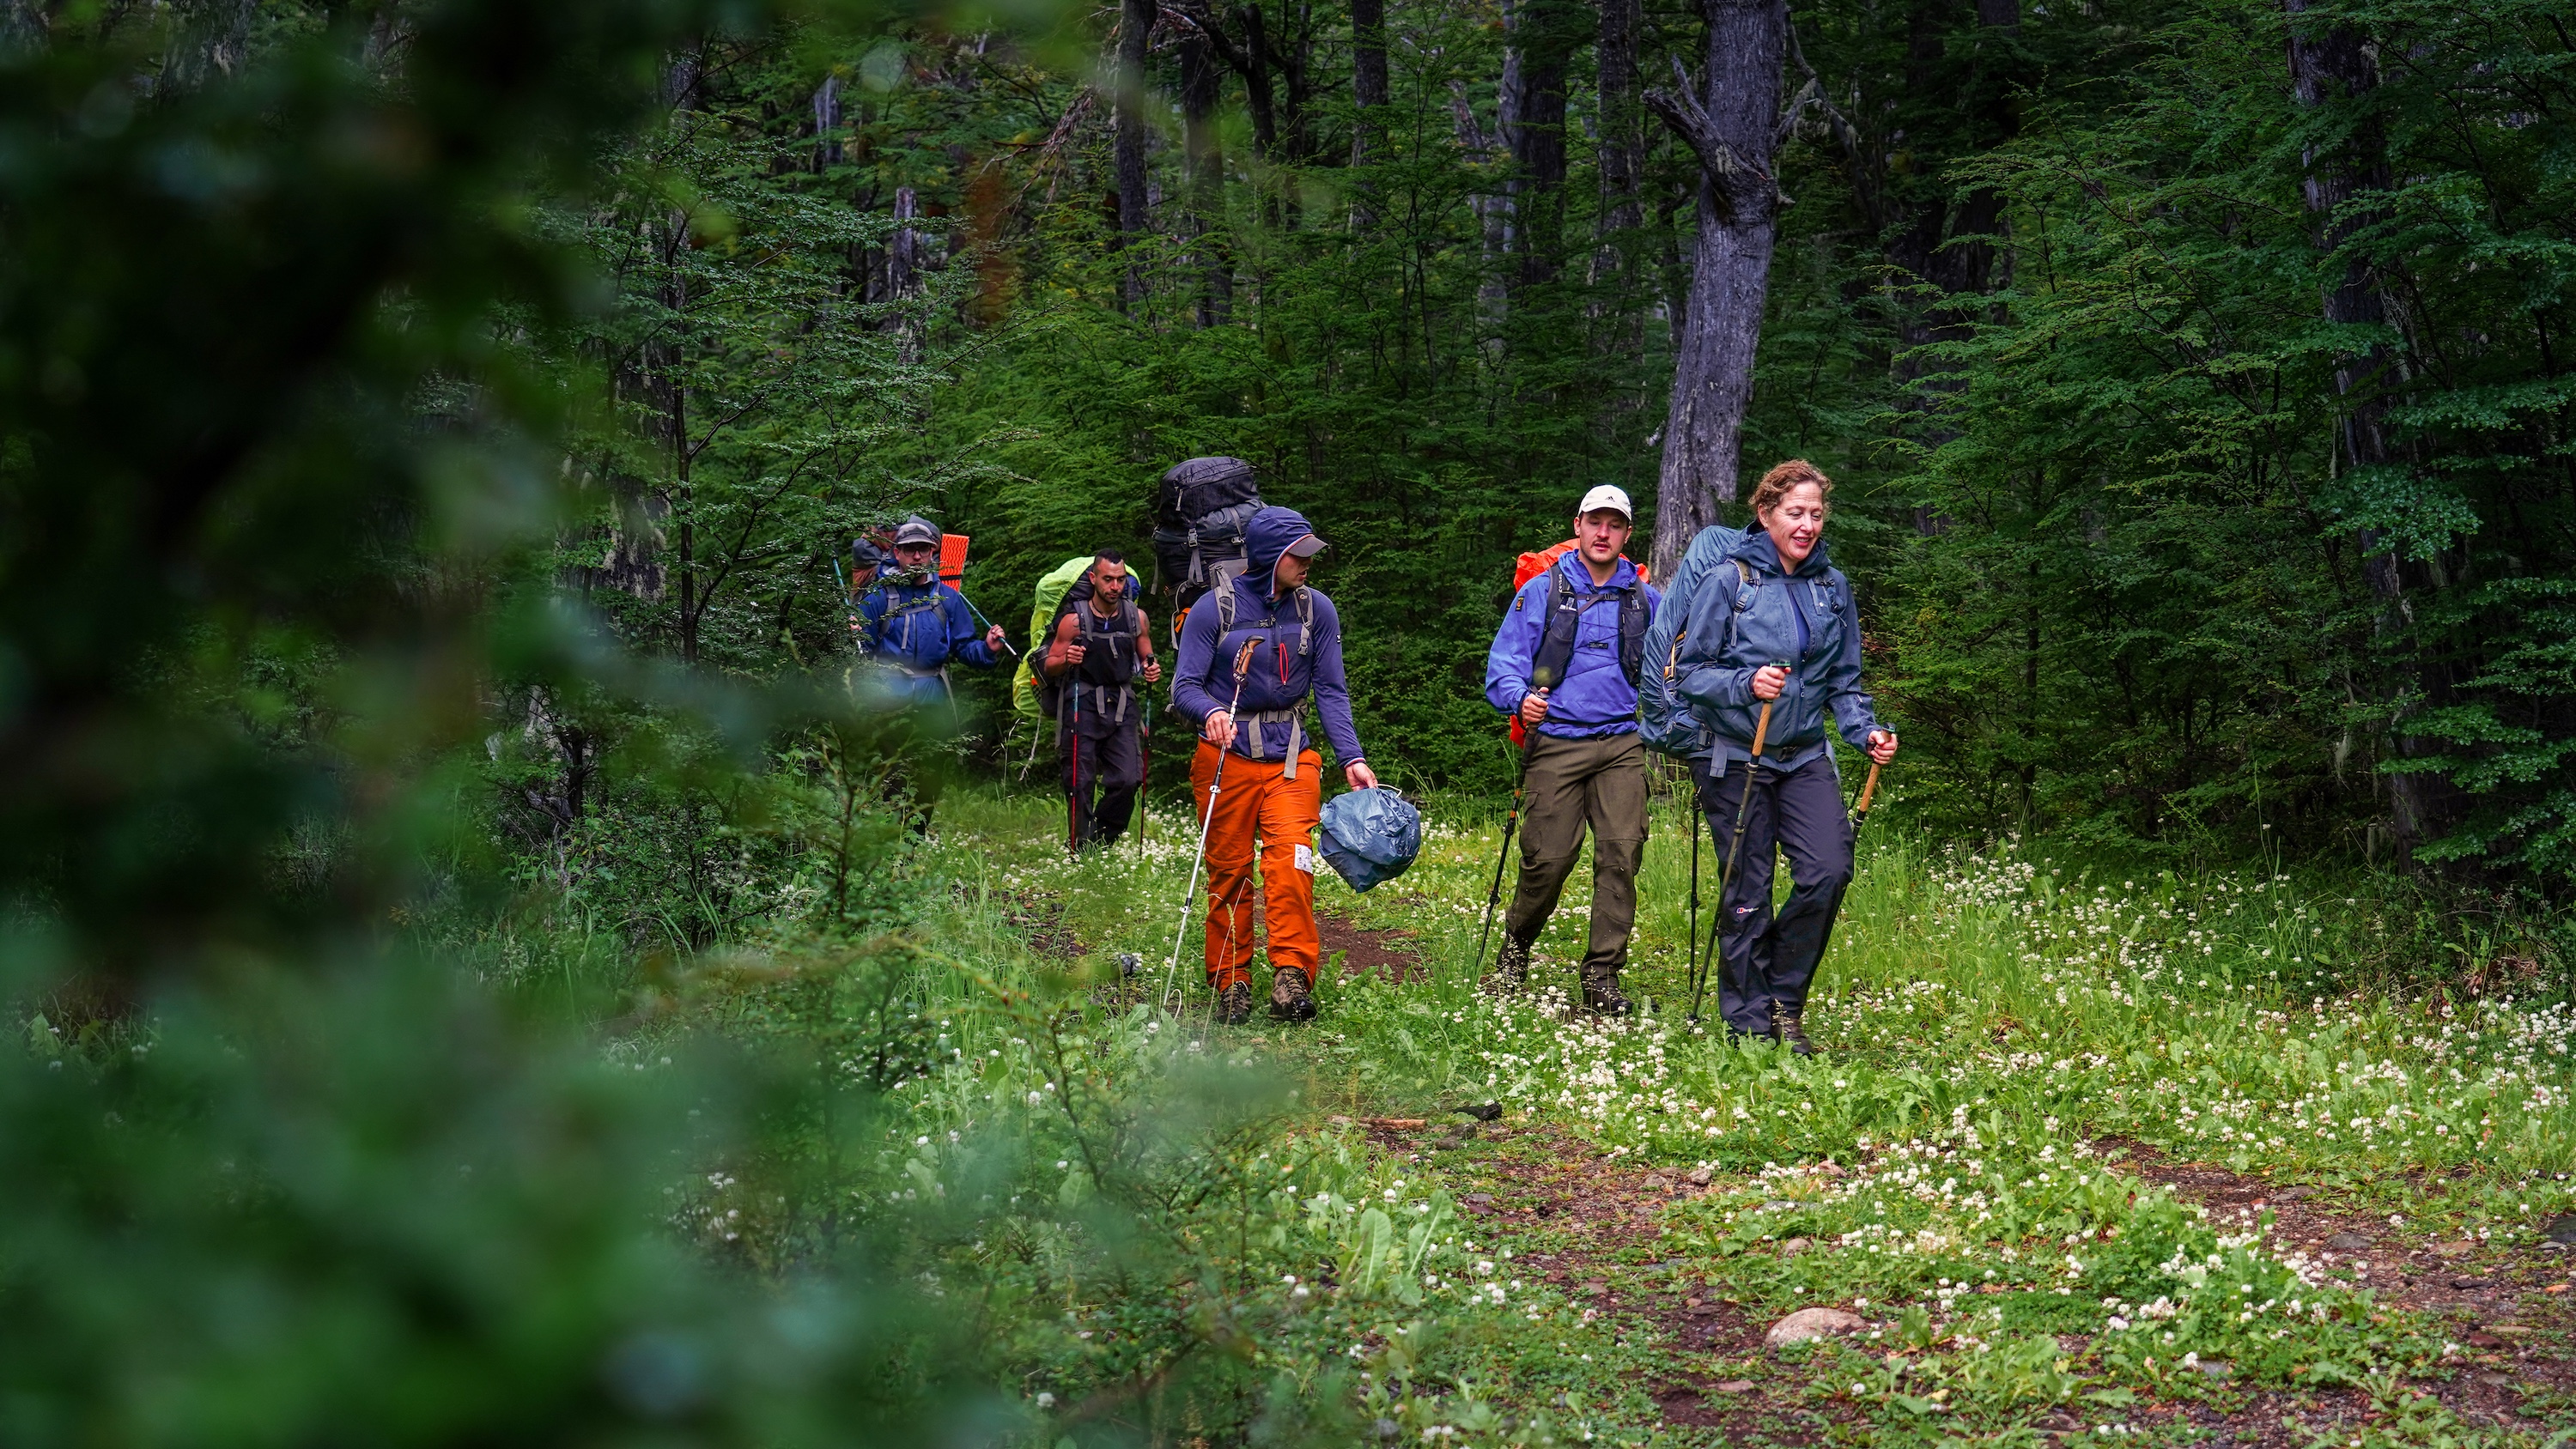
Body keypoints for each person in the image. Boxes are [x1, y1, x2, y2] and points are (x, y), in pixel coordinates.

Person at [1666, 460, 1898, 1054]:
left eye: (1816, 513)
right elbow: (1689, 674)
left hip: (1803, 756)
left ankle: (1782, 999)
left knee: (1829, 870)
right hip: (1736, 757)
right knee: (1748, 890)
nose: (1807, 524)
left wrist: (1866, 733)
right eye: (1795, 512)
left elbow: (1844, 683)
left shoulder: (1832, 587)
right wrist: (1746, 685)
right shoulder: (1730, 580)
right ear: (1767, 514)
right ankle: (1748, 1025)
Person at [1170, 506, 1380, 1025]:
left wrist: (1351, 757)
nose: (1308, 564)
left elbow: (1331, 690)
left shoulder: (1317, 611)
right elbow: (1184, 689)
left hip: (1291, 759)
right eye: (1298, 554)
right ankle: (1230, 982)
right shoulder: (1211, 610)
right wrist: (1213, 711)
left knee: (1292, 864)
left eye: (1310, 553)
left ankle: (1291, 977)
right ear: (1269, 556)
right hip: (1225, 759)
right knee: (1230, 873)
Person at [1481, 485, 1662, 1014]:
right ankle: (1514, 951)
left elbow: (1674, 666)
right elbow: (1503, 668)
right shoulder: (1541, 591)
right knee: (1548, 860)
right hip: (1557, 741)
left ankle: (1602, 976)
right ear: (1578, 526)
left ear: (1627, 534)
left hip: (1623, 741)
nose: (1603, 533)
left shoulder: (1646, 599)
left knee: (1622, 852)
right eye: (1595, 522)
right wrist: (1521, 700)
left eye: (1615, 524)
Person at [856, 514, 1008, 828]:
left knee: (930, 778)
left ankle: (913, 843)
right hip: (888, 699)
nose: (916, 556)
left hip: (932, 700)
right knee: (894, 775)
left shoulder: (948, 598)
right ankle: (892, 847)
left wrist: (989, 648)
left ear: (933, 553)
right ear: (896, 552)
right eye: (909, 549)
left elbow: (965, 648)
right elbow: (860, 652)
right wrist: (855, 633)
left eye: (923, 549)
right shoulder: (878, 597)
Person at [1041, 551, 1163, 851]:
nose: (1115, 586)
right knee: (1078, 782)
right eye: (1108, 579)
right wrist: (1066, 660)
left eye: (1120, 580)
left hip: (1122, 704)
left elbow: (1146, 653)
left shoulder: (1137, 617)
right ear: (1094, 579)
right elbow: (1049, 665)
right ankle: (1080, 847)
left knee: (1128, 779)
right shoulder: (1073, 621)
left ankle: (1099, 841)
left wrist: (1151, 668)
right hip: (1081, 702)